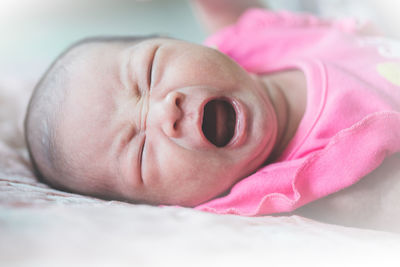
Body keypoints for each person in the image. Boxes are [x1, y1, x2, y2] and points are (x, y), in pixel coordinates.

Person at [24, 0, 400, 224]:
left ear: (181, 43)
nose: (164, 112)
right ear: (169, 204)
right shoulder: (283, 189)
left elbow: (228, 14)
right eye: (140, 155)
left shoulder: (240, 46)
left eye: (151, 70)